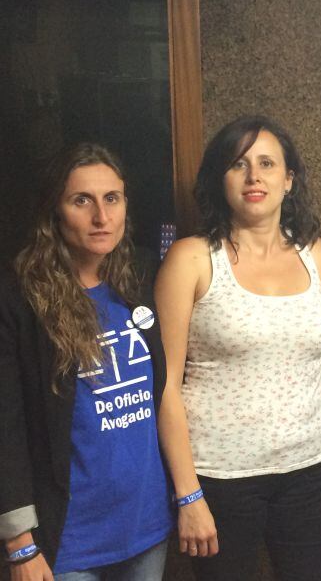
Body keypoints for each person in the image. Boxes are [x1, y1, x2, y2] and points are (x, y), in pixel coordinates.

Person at [154, 115, 321, 581]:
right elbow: (165, 386)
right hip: (219, 480)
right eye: (239, 164)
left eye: (267, 163)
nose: (254, 176)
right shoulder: (190, 258)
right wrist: (187, 494)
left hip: (310, 475)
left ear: (288, 180)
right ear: (220, 179)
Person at [0, 142, 214, 581]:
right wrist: (20, 543)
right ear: (54, 211)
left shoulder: (137, 278)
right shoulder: (21, 300)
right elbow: (7, 425)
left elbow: (164, 391)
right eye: (82, 200)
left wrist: (186, 496)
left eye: (111, 199)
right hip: (69, 542)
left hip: (145, 527)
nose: (101, 217)